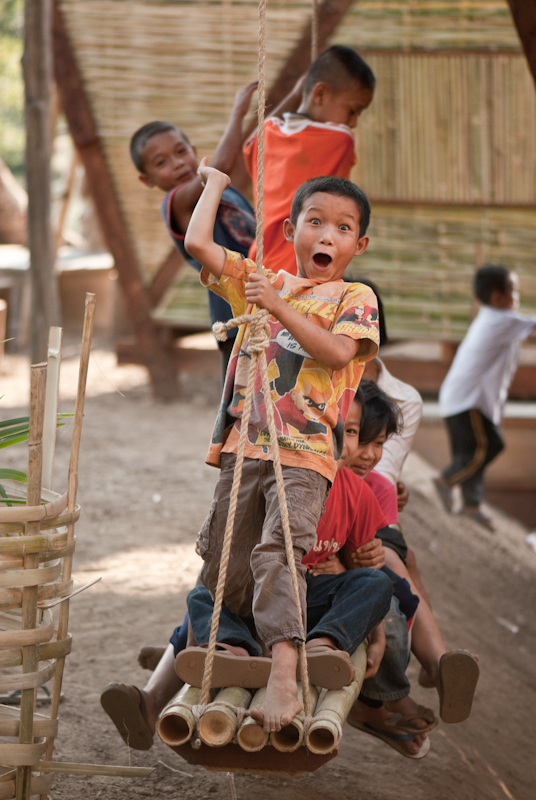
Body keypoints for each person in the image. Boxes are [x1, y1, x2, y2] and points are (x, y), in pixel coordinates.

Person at [180, 165, 380, 732]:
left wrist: (278, 305)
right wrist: (214, 185)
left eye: (342, 228)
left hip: (304, 454)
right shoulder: (260, 280)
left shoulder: (353, 296)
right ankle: (238, 654)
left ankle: (286, 675)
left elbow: (339, 355)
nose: (326, 235)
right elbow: (198, 242)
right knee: (226, 561)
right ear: (290, 228)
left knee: (279, 551)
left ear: (357, 244)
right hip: (245, 447)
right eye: (314, 222)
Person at [100, 387, 392, 750]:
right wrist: (197, 642)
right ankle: (231, 651)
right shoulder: (267, 479)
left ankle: (322, 646)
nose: (343, 442)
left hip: (309, 611)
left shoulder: (356, 494)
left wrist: (378, 637)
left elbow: (362, 567)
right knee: (203, 592)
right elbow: (221, 569)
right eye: (339, 430)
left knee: (376, 583)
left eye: (351, 432)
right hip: (252, 602)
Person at [345, 383, 479, 752]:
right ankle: (425, 671)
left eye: (379, 445)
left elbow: (376, 543)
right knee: (393, 581)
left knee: (397, 583)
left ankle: (433, 667)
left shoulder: (377, 488)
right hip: (339, 572)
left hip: (369, 564)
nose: (369, 455)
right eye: (359, 439)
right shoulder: (330, 482)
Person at [129, 82, 257, 379]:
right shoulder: (177, 204)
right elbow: (222, 165)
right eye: (161, 162)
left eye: (181, 151)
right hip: (233, 319)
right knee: (239, 410)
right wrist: (238, 110)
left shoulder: (225, 192)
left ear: (193, 151)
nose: (176, 163)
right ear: (147, 180)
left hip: (262, 298)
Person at [243, 45, 375, 275]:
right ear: (320, 94)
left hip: (260, 264)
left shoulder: (269, 133)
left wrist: (296, 95)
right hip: (303, 268)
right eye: (352, 110)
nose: (352, 122)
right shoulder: (339, 140)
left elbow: (252, 142)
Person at [435, 264, 536, 530]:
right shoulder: (500, 319)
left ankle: (472, 504)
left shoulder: (495, 320)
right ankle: (446, 480)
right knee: (490, 445)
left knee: (471, 453)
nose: (517, 297)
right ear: (497, 297)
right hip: (468, 402)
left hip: (461, 401)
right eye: (513, 291)